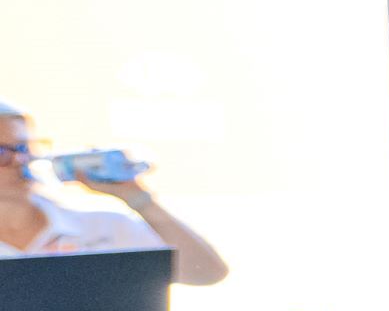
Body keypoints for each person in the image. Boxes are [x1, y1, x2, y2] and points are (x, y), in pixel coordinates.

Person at [0, 102, 229, 283]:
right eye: (2, 151)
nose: (20, 160)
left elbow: (206, 273)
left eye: (23, 148)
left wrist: (137, 198)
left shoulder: (104, 228)